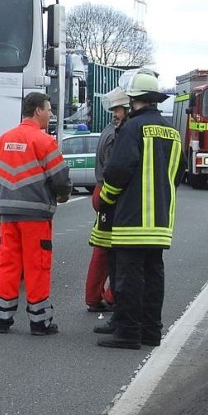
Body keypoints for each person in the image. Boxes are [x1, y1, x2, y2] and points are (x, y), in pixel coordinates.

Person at [91, 71, 186, 349]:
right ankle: (151, 332)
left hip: (131, 220)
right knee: (154, 276)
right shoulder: (172, 131)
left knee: (128, 278)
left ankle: (128, 333)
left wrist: (107, 198)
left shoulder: (133, 128)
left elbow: (118, 170)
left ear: (134, 101)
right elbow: (177, 174)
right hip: (160, 220)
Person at [0, 92, 72, 335]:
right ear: (38, 111)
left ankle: (1, 318)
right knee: (37, 266)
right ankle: (39, 321)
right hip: (35, 217)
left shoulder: (3, 140)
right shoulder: (45, 142)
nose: (51, 114)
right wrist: (62, 197)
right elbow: (61, 180)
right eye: (48, 109)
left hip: (7, 215)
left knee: (8, 265)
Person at [84, 87, 130, 312]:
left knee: (102, 249)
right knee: (115, 251)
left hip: (101, 193)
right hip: (109, 194)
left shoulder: (108, 130)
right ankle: (110, 297)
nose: (117, 113)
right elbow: (116, 169)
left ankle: (94, 297)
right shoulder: (117, 135)